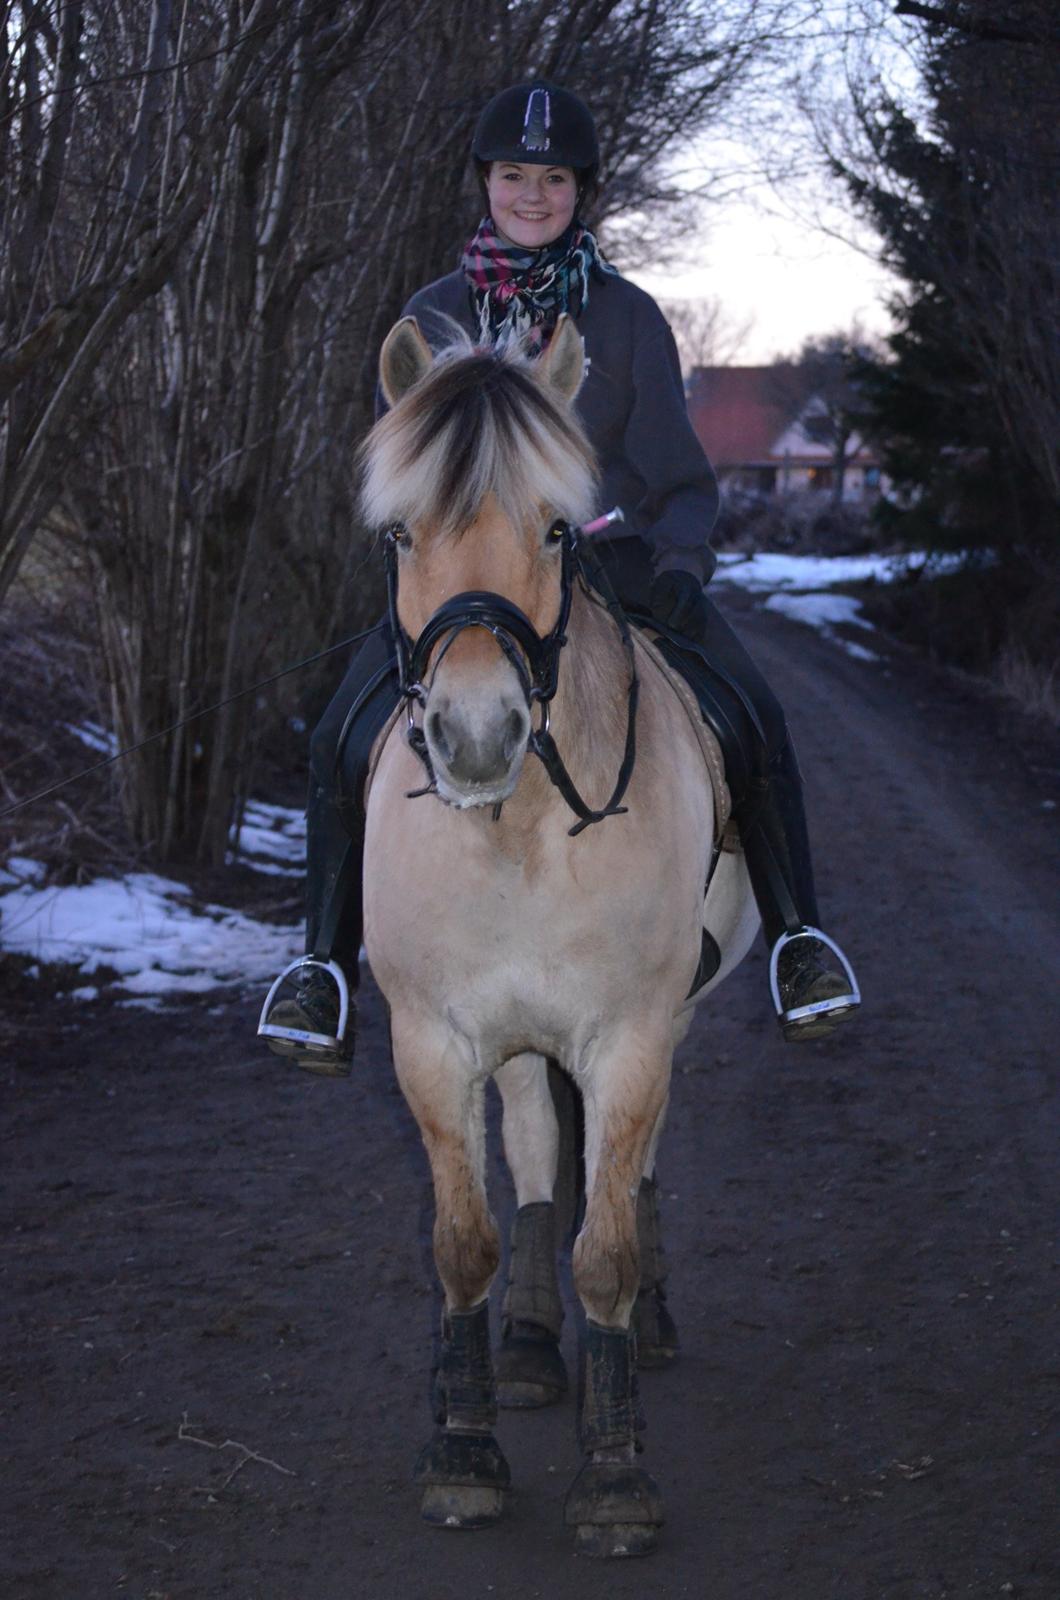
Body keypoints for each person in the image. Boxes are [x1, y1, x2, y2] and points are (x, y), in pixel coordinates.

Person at [261, 80, 859, 1075]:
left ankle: (799, 942)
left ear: (580, 191)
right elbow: (406, 484)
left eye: (551, 178)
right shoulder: (433, 316)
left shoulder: (626, 320)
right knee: (337, 733)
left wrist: (679, 567)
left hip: (614, 576)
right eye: (511, 176)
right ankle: (322, 967)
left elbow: (680, 478)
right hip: (463, 590)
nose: (530, 194)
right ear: (485, 186)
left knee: (752, 710)